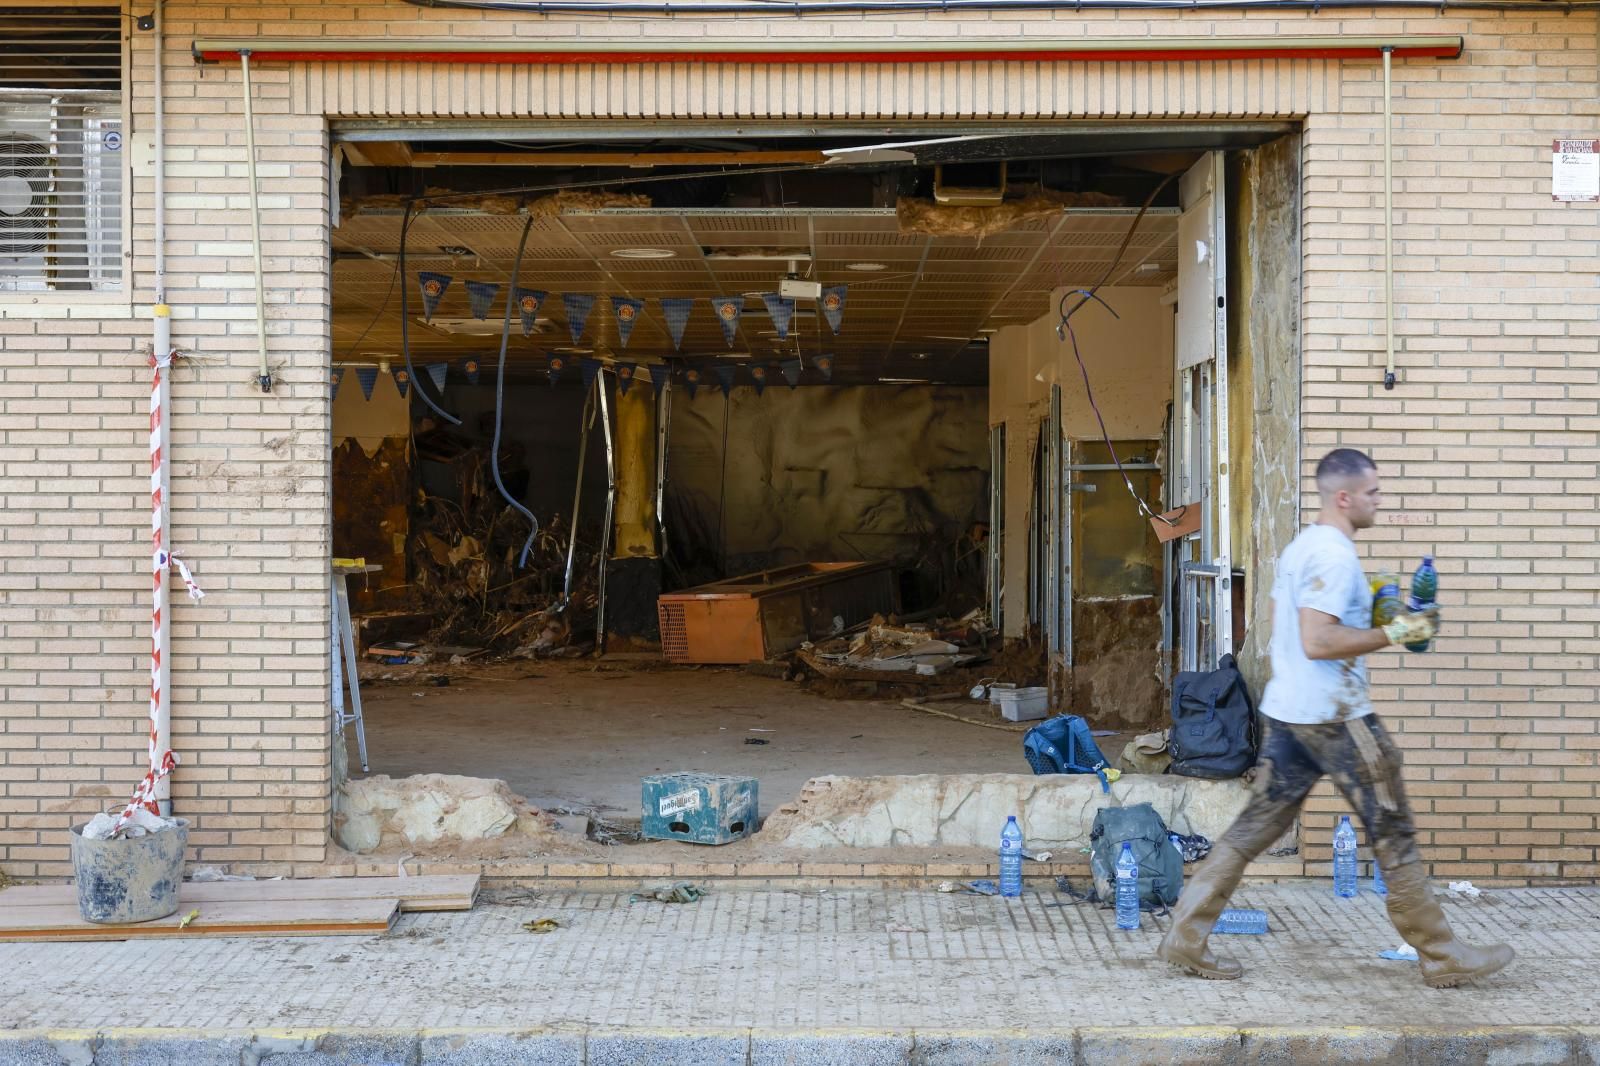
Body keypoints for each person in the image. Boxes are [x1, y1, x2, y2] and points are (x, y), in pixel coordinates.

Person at [1156, 448, 1513, 989]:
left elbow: (1282, 619)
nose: (1379, 500)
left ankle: (1185, 936)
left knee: (1254, 828)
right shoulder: (1334, 557)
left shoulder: (1302, 548)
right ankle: (1441, 954)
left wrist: (1364, 614)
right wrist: (1395, 632)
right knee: (1391, 825)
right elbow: (1317, 639)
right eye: (1373, 492)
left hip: (1289, 713)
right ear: (1344, 497)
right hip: (1338, 717)